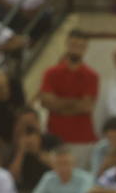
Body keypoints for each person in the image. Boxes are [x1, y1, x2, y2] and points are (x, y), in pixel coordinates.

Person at [38, 28, 97, 160]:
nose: (76, 49)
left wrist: (58, 104)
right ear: (67, 44)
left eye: (81, 46)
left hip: (82, 138)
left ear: (86, 48)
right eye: (73, 44)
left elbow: (86, 106)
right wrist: (75, 103)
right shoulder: (50, 73)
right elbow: (45, 102)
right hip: (55, 136)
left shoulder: (92, 76)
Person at [22, 145, 95, 193]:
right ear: (53, 165)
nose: (63, 168)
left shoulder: (86, 178)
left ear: (74, 163)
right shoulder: (49, 178)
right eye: (59, 164)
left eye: (66, 163)